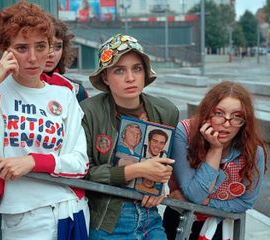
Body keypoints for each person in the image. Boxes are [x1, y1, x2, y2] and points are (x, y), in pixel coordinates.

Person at [0, 1, 89, 239]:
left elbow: (79, 164)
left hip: (71, 208)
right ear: (5, 49)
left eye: (41, 46)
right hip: (22, 214)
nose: (34, 58)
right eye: (22, 48)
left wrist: (31, 162)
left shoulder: (65, 95)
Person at [80, 33, 179, 239]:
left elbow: (169, 163)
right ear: (105, 77)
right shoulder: (88, 112)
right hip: (107, 220)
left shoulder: (165, 111)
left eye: (137, 68)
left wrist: (161, 187)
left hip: (151, 217)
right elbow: (83, 171)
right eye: (119, 70)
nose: (130, 78)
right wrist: (136, 170)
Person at [163, 81, 267, 240]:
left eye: (237, 117)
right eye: (219, 113)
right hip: (179, 219)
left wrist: (206, 203)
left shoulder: (254, 152)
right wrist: (216, 149)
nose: (226, 124)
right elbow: (195, 194)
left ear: (245, 121)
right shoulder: (185, 132)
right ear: (206, 112)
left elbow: (245, 203)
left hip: (220, 225)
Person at [42, 16, 88, 102]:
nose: (51, 54)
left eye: (58, 46)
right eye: (43, 46)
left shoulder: (76, 91)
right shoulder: (11, 86)